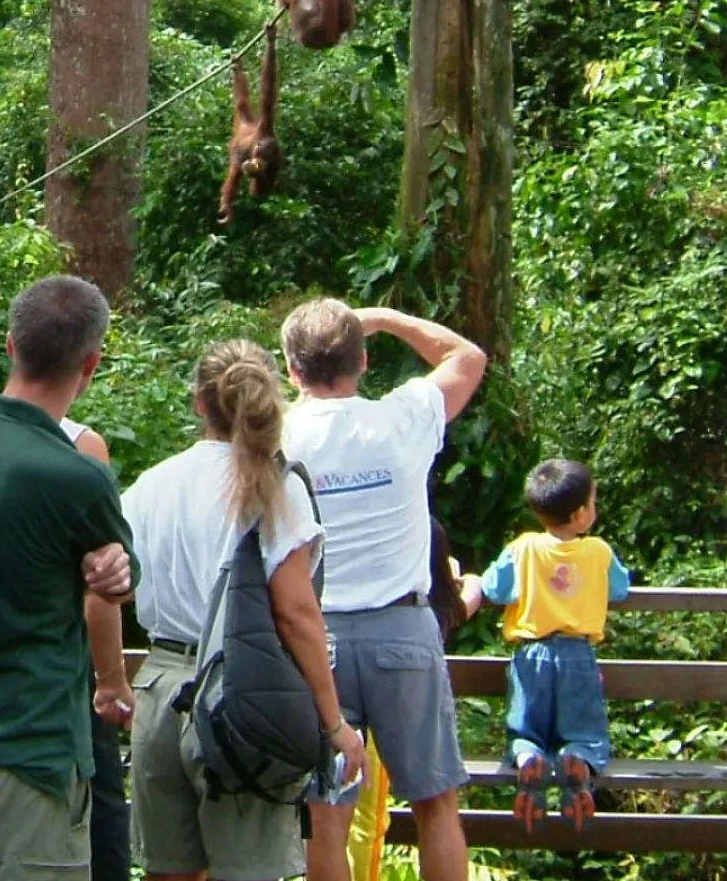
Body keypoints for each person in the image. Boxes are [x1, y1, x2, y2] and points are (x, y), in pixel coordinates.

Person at [0, 275, 136, 880]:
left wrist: (112, 564)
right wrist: (115, 566)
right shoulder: (76, 477)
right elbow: (119, 581)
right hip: (30, 756)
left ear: (11, 345)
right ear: (90, 363)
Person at [121, 339, 364, 881]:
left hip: (160, 687)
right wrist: (333, 723)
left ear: (198, 404)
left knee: (167, 870)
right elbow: (295, 614)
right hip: (242, 692)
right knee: (248, 870)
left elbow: (111, 587)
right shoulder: (274, 490)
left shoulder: (149, 488)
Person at [279, 299, 487, 881]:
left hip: (316, 636)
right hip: (403, 626)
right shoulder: (404, 417)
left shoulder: (282, 433)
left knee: (327, 811)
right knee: (436, 802)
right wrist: (389, 317)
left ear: (292, 371)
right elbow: (466, 357)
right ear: (364, 360)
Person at [480, 459, 631, 832]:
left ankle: (529, 757)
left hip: (529, 655)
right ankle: (578, 756)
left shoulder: (524, 547)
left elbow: (493, 588)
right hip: (577, 654)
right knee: (584, 731)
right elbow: (620, 589)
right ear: (580, 514)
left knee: (526, 729)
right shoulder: (598, 551)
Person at [344, 519, 482, 880]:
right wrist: (471, 581)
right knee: (414, 808)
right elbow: (466, 600)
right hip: (403, 694)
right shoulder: (433, 612)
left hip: (341, 670)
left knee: (340, 813)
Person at [61, 413, 131, 881]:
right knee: (100, 794)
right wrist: (112, 680)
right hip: (65, 664)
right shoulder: (82, 446)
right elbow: (100, 589)